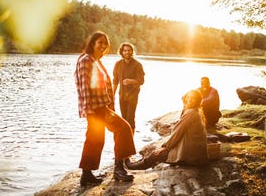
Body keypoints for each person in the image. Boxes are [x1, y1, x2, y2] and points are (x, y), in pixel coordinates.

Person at [74, 31, 136, 187]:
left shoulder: (96, 61)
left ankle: (86, 175)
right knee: (124, 128)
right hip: (95, 108)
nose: (103, 45)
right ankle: (119, 169)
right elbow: (84, 87)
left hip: (101, 106)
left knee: (95, 140)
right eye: (100, 42)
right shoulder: (86, 60)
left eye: (105, 43)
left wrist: (110, 105)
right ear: (93, 43)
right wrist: (89, 110)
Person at [125, 90, 208, 170]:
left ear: (197, 101)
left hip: (189, 157)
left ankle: (133, 167)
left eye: (193, 99)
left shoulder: (190, 114)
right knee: (159, 152)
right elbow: (180, 126)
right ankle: (137, 163)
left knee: (156, 154)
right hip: (196, 155)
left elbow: (177, 134)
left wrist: (166, 147)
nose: (190, 100)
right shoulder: (197, 112)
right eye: (189, 98)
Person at [113, 42, 145, 133]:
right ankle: (125, 141)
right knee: (123, 119)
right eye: (125, 50)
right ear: (122, 52)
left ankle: (131, 141)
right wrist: (112, 95)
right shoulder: (118, 64)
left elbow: (141, 81)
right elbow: (115, 81)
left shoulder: (137, 65)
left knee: (130, 119)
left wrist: (130, 81)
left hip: (133, 96)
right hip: (121, 95)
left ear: (132, 51)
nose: (127, 52)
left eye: (129, 50)